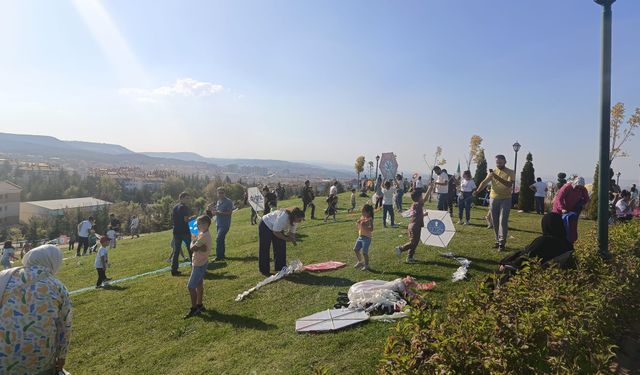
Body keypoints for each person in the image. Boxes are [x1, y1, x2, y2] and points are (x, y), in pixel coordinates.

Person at [0, 245, 71, 374]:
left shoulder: (5, 276)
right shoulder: (58, 287)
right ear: (53, 261)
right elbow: (64, 328)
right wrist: (61, 357)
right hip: (39, 361)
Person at [495, 213, 574, 286]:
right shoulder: (568, 245)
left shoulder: (544, 241)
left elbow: (525, 257)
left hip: (531, 275)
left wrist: (506, 263)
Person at [474, 155, 516, 251]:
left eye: (500, 162)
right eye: (497, 162)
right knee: (495, 221)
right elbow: (484, 182)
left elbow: (509, 184)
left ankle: (502, 243)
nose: (498, 164)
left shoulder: (510, 172)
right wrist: (477, 191)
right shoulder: (493, 172)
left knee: (503, 221)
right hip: (493, 198)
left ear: (505, 162)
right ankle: (497, 240)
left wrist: (495, 176)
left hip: (506, 199)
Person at [258, 207, 305, 276]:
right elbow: (276, 232)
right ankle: (264, 270)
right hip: (266, 225)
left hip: (276, 228)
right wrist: (286, 238)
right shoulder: (284, 217)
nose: (301, 221)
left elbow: (292, 233)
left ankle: (281, 268)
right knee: (265, 248)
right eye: (300, 219)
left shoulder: (295, 220)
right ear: (295, 216)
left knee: (280, 247)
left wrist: (293, 240)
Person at [184, 215, 213, 319]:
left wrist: (193, 242)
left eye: (198, 224)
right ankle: (200, 305)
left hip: (199, 264)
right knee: (199, 284)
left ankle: (194, 308)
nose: (196, 226)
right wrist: (196, 242)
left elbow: (192, 248)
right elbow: (199, 246)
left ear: (206, 225)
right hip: (202, 262)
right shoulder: (203, 233)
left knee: (191, 287)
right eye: (196, 224)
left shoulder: (204, 236)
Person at [552, 176, 590, 243]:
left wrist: (580, 204)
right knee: (558, 225)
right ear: (574, 184)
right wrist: (562, 208)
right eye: (578, 187)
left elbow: (586, 199)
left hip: (572, 210)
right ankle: (557, 239)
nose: (579, 189)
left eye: (581, 187)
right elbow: (559, 199)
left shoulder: (583, 189)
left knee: (572, 226)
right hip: (559, 209)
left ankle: (571, 240)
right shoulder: (567, 187)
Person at [394, 191, 425, 263]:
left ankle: (409, 257)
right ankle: (401, 248)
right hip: (415, 226)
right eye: (421, 196)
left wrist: (424, 215)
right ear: (419, 198)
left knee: (415, 242)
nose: (422, 198)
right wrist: (430, 188)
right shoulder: (418, 204)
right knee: (413, 242)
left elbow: (416, 215)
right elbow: (425, 199)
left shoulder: (414, 205)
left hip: (412, 225)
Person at [171, 192, 195, 276]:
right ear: (181, 198)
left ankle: (174, 270)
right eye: (187, 198)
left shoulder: (175, 207)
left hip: (176, 231)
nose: (188, 200)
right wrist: (193, 218)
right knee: (190, 249)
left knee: (176, 251)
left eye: (189, 198)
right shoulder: (185, 207)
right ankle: (194, 267)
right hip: (184, 231)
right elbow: (186, 220)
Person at [207, 187, 234, 261]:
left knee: (218, 239)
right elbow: (216, 212)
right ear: (217, 193)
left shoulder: (228, 201)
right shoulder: (218, 201)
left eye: (222, 193)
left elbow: (229, 213)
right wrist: (211, 209)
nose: (220, 194)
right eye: (219, 193)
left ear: (224, 193)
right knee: (221, 240)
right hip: (218, 223)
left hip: (225, 224)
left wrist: (218, 213)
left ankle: (219, 256)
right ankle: (222, 255)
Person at [353, 204, 374, 271]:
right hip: (360, 237)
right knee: (356, 249)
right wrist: (358, 222)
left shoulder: (370, 219)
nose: (362, 213)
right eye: (362, 212)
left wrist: (364, 225)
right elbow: (359, 224)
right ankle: (360, 262)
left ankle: (367, 265)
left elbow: (371, 229)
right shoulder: (363, 217)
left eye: (363, 212)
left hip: (367, 238)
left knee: (364, 252)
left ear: (368, 212)